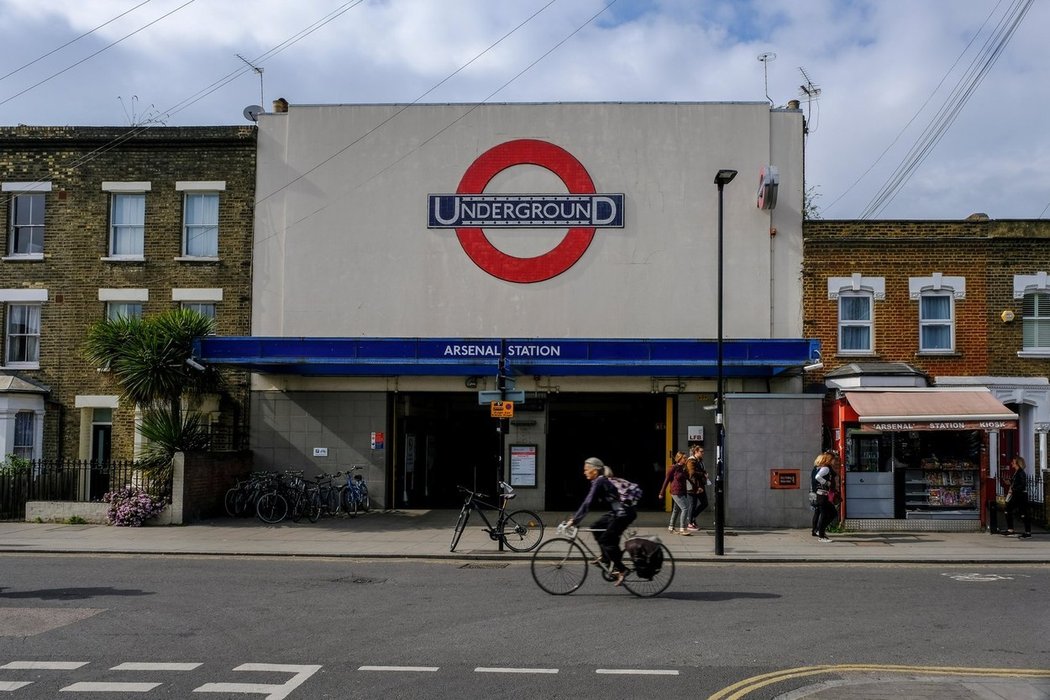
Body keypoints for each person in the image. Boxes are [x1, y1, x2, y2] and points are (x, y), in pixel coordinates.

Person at [568, 457, 637, 584]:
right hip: (617, 513)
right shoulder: (598, 482)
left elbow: (588, 503)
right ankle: (606, 558)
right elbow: (591, 502)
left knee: (607, 541)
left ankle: (622, 569)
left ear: (594, 471)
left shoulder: (600, 482)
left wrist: (575, 520)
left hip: (624, 514)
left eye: (586, 470)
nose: (584, 472)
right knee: (595, 526)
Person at [659, 451, 691, 535]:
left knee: (676, 510)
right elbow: (666, 480)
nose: (686, 459)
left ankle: (671, 527)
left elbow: (688, 479)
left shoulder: (683, 468)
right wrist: (662, 493)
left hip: (683, 491)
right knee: (685, 508)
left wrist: (696, 487)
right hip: (676, 491)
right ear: (679, 458)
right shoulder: (673, 468)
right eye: (684, 458)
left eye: (686, 457)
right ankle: (682, 528)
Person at [810, 450, 839, 542]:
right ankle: (821, 535)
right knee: (826, 514)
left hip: (822, 495)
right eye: (834, 460)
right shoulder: (826, 468)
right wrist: (827, 483)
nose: (835, 462)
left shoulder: (823, 468)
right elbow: (817, 477)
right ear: (830, 459)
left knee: (830, 513)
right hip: (822, 495)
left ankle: (820, 530)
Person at [1001, 455, 1032, 539]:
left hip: (1020, 495)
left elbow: (1022, 485)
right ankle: (1011, 530)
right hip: (1016, 495)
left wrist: (1013, 489)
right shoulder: (1017, 472)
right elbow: (1015, 482)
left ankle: (1027, 532)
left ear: (1018, 463)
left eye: (1013, 462)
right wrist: (1009, 482)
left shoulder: (1021, 472)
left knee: (1023, 513)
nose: (1011, 463)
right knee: (1008, 509)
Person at [686, 444, 709, 530]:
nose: (703, 453)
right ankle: (690, 523)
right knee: (693, 504)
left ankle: (692, 517)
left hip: (700, 486)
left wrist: (705, 473)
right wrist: (703, 474)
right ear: (696, 452)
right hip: (693, 486)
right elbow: (692, 473)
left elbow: (701, 470)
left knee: (704, 503)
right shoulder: (691, 461)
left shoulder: (700, 460)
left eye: (703, 451)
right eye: (701, 451)